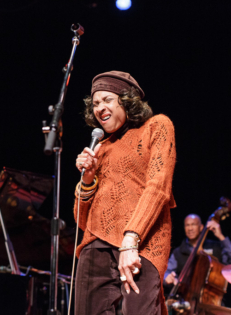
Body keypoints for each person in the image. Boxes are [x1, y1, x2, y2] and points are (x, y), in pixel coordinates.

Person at [73, 71, 176, 315]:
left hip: (143, 243)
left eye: (107, 100)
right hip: (95, 246)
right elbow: (82, 220)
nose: (100, 108)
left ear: (127, 100)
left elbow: (158, 186)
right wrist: (87, 181)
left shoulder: (157, 126)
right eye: (95, 103)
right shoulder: (100, 148)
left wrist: (131, 240)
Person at [163, 214, 231, 290]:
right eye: (187, 225)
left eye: (193, 224)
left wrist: (220, 236)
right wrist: (167, 278)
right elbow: (166, 272)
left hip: (212, 295)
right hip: (185, 297)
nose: (190, 228)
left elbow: (229, 263)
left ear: (201, 227)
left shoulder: (216, 247)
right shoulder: (178, 252)